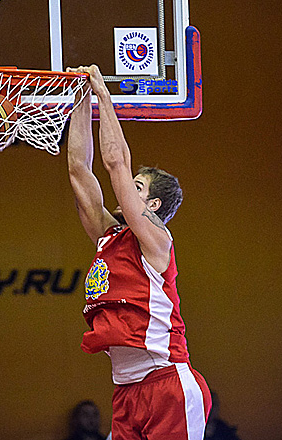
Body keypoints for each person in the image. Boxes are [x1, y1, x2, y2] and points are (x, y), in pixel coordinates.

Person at [66, 64, 211, 440]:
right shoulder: (109, 236)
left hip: (168, 383)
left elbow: (115, 163)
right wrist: (80, 100)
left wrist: (103, 95)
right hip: (126, 390)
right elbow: (79, 170)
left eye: (137, 187)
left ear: (154, 205)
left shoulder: (157, 239)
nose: (126, 191)